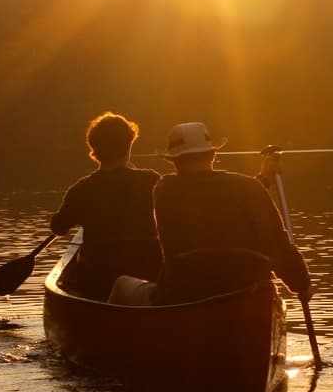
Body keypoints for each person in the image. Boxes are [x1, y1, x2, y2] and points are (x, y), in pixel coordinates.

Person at [109, 122, 311, 305]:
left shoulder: (164, 190)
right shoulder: (250, 189)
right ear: (213, 154)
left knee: (121, 284)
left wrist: (262, 181)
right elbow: (278, 244)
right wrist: (301, 285)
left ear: (173, 161)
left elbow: (208, 200)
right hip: (245, 292)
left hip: (183, 295)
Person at [50, 111, 162, 299]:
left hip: (99, 278)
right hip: (147, 272)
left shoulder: (81, 189)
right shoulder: (152, 180)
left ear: (94, 150)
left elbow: (58, 227)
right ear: (129, 145)